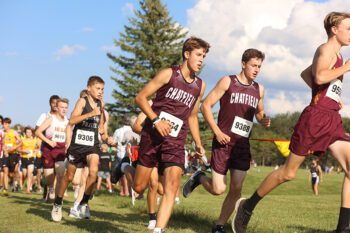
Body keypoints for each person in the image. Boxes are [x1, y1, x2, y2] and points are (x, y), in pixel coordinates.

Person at [232, 12, 350, 233]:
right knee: (288, 173)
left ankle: (343, 229)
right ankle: (247, 207)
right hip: (314, 119)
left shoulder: (339, 56)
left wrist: (329, 98)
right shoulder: (324, 50)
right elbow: (319, 77)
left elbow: (307, 75)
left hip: (331, 118)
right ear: (335, 29)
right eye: (349, 28)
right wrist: (344, 70)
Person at [112, 36, 210, 233]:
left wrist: (198, 143)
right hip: (152, 136)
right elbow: (140, 97)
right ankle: (124, 166)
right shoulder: (169, 74)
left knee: (171, 186)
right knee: (139, 188)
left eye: (204, 56)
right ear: (187, 54)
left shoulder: (200, 86)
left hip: (175, 140)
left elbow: (191, 117)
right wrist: (156, 120)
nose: (201, 60)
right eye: (198, 55)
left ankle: (158, 230)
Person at [182, 48, 270, 233]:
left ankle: (219, 225)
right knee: (218, 189)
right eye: (253, 65)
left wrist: (263, 119)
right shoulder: (228, 81)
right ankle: (199, 177)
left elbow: (259, 112)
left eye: (259, 67)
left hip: (242, 145)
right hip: (223, 143)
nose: (256, 70)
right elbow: (206, 105)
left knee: (236, 189)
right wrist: (217, 131)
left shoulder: (259, 89)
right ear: (243, 64)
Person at [51, 76, 107, 222]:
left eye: (102, 89)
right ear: (89, 88)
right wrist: (90, 114)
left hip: (92, 144)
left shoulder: (101, 104)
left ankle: (84, 203)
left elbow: (100, 126)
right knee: (68, 177)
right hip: (78, 145)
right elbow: (72, 121)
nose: (101, 92)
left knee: (93, 172)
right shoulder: (82, 101)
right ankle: (57, 203)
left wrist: (106, 137)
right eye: (98, 88)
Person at [35, 98, 69, 201]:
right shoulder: (51, 119)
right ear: (57, 108)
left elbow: (68, 136)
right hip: (48, 150)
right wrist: (48, 141)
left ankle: (58, 199)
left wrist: (68, 144)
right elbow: (38, 132)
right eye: (62, 107)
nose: (64, 109)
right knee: (49, 179)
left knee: (60, 175)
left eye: (66, 107)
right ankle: (50, 189)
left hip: (60, 151)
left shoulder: (67, 122)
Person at [2, 117, 22, 194]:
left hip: (13, 154)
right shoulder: (2, 133)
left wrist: (14, 147)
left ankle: (14, 183)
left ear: (9, 124)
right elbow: (2, 143)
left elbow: (20, 142)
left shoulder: (14, 132)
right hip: (6, 154)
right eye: (3, 123)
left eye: (6, 124)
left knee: (13, 172)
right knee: (5, 171)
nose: (4, 125)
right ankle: (5, 189)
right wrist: (4, 148)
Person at [19, 127, 38, 194]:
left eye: (30, 132)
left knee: (30, 173)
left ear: (31, 133)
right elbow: (18, 149)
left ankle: (28, 189)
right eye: (27, 132)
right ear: (25, 133)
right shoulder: (22, 140)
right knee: (25, 174)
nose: (29, 133)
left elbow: (38, 147)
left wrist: (36, 150)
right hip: (24, 159)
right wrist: (23, 151)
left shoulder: (34, 140)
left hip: (31, 158)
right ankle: (23, 183)